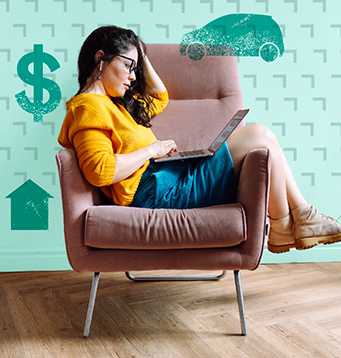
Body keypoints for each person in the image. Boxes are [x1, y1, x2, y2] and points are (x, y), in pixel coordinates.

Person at [58, 25, 341, 254]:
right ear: (100, 59)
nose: (133, 76)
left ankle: (288, 223)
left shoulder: (114, 104)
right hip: (154, 195)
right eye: (128, 66)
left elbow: (159, 96)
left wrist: (140, 55)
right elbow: (100, 171)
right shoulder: (88, 108)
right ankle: (294, 220)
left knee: (261, 139)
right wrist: (152, 149)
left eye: (135, 68)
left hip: (165, 181)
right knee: (259, 135)